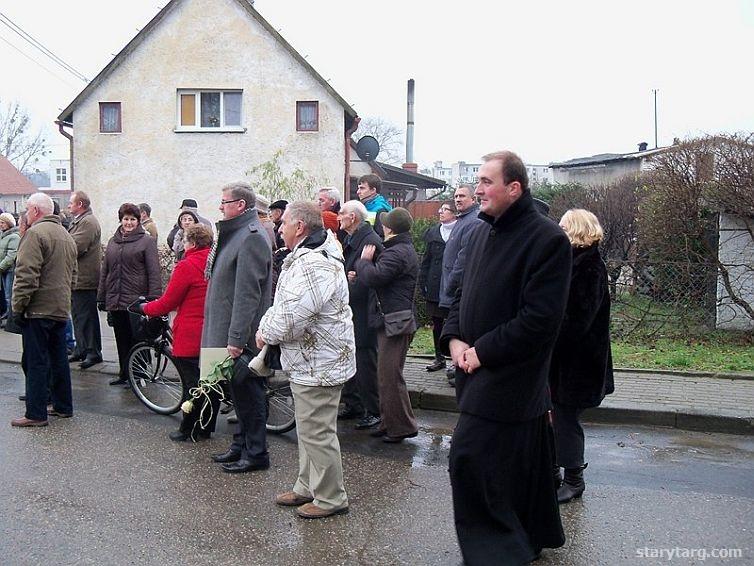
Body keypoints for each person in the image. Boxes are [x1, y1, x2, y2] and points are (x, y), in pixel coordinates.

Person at [440, 151, 571, 565]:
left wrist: (482, 352)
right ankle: (530, 535)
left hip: (512, 374)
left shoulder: (548, 239)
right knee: (524, 462)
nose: (477, 189)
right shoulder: (480, 231)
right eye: (476, 180)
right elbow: (461, 294)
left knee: (467, 456)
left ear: (514, 188)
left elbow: (540, 319)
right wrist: (454, 339)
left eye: (485, 181)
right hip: (474, 365)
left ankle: (495, 549)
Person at [257, 201, 355, 519]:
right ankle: (307, 486)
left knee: (317, 431)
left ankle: (330, 498)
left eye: (283, 223)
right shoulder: (309, 256)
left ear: (299, 227)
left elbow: (293, 315)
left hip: (320, 363)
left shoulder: (314, 263)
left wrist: (265, 332)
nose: (278, 227)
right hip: (313, 359)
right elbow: (287, 303)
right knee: (309, 429)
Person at [204, 182, 272, 474]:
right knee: (237, 394)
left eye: (224, 202)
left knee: (249, 395)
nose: (220, 207)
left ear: (241, 205)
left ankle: (256, 453)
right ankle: (239, 445)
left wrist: (235, 339)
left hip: (241, 337)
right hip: (229, 332)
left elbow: (248, 294)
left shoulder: (251, 237)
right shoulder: (236, 234)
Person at [550, 209, 614, 504]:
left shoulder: (589, 267)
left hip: (578, 362)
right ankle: (553, 473)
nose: (558, 230)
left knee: (566, 419)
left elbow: (577, 320)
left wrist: (546, 341)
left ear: (577, 230)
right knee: (553, 417)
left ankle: (574, 479)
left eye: (563, 226)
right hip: (564, 361)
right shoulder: (572, 261)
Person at [137, 224, 217, 441]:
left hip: (191, 333)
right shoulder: (215, 261)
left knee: (192, 384)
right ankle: (206, 427)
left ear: (190, 242)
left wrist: (145, 308)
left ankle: (188, 429)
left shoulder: (187, 265)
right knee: (210, 381)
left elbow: (168, 302)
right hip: (213, 331)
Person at [10, 193, 77, 427]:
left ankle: (36, 413)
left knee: (35, 361)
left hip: (38, 309)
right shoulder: (66, 236)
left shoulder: (35, 234)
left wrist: (17, 307)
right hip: (60, 308)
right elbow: (73, 275)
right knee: (59, 359)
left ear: (36, 211)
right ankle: (63, 406)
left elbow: (26, 275)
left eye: (28, 210)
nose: (26, 214)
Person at [356, 207, 419, 443]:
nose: (382, 225)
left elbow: (375, 277)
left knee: (390, 376)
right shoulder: (400, 249)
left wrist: (363, 264)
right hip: (393, 319)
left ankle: (401, 427)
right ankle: (389, 421)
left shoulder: (397, 252)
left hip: (395, 321)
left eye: (384, 223)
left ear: (389, 228)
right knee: (385, 375)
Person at [98, 203, 161, 386]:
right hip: (116, 299)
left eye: (132, 219)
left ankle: (140, 374)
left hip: (137, 300)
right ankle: (125, 373)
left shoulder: (147, 241)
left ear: (138, 221)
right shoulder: (113, 241)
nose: (129, 222)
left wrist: (153, 298)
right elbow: (105, 271)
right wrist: (101, 296)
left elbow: (154, 272)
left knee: (138, 338)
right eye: (126, 219)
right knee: (121, 337)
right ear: (121, 220)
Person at [337, 200, 383, 429]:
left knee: (366, 360)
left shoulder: (370, 241)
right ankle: (354, 404)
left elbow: (373, 279)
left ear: (353, 217)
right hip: (352, 309)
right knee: (352, 358)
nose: (338, 216)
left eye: (342, 213)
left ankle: (374, 410)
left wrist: (353, 281)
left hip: (364, 311)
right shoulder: (352, 238)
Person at [439, 183, 482, 386]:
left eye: (462, 196)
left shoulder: (472, 222)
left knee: (462, 331)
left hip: (458, 289)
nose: (457, 199)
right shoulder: (462, 220)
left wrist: (451, 287)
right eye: (455, 196)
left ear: (473, 199)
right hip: (452, 287)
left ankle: (462, 370)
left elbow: (463, 260)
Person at [66, 191, 103, 370]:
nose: (68, 206)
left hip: (85, 277)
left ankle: (92, 351)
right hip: (77, 277)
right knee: (78, 315)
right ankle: (81, 348)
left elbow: (75, 246)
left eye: (71, 203)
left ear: (80, 204)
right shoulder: (80, 221)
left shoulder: (88, 222)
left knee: (87, 317)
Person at [419, 202, 456, 372]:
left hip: (453, 285)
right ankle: (439, 358)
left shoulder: (462, 230)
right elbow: (426, 260)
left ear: (454, 213)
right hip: (434, 285)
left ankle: (455, 360)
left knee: (456, 323)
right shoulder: (434, 232)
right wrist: (423, 281)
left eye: (445, 210)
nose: (440, 212)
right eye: (440, 209)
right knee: (437, 322)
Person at [0, 212, 21, 323]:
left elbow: (11, 255)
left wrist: (1, 266)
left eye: (3, 222)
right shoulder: (3, 235)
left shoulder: (14, 237)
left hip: (9, 270)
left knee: (9, 295)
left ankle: (10, 318)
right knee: (5, 295)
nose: (1, 224)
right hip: (3, 270)